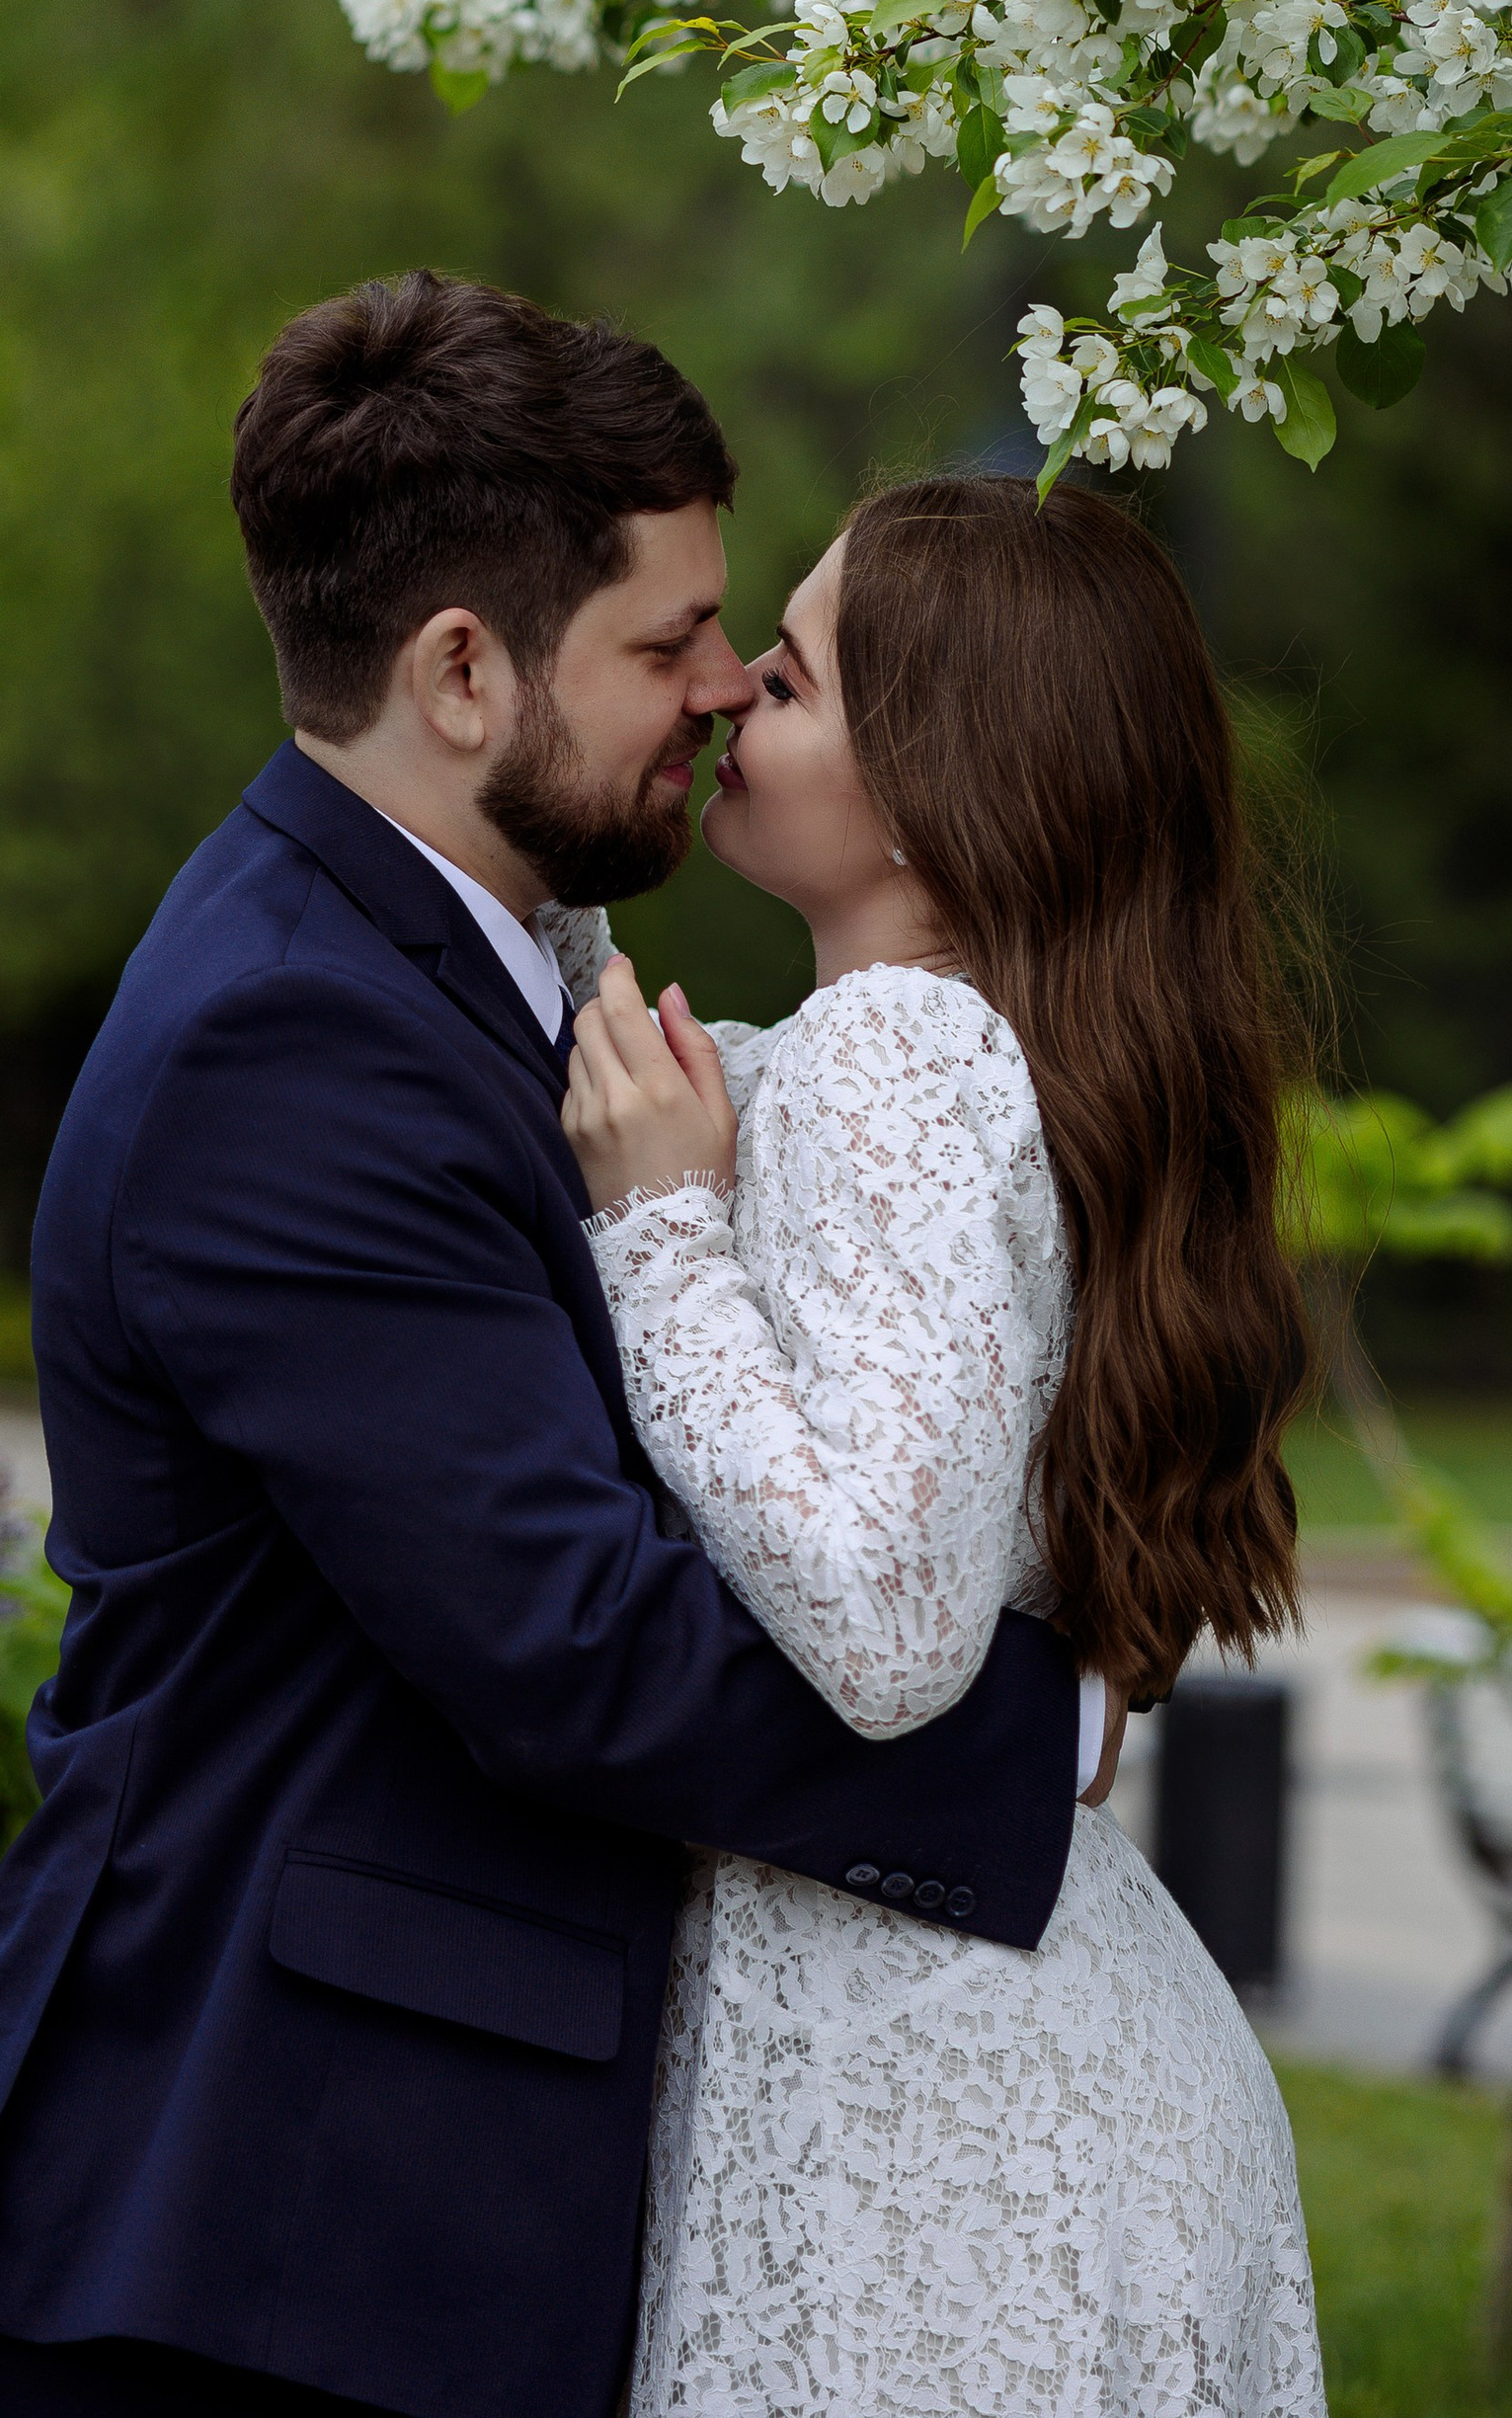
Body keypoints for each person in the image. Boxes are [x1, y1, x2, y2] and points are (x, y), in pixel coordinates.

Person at [0, 277, 1113, 2418]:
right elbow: (570, 1642)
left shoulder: (473, 965)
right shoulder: (293, 1041)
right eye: (670, 641)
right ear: (462, 671)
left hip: (365, 2208)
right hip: (266, 2216)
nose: (725, 688)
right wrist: (1040, 1737)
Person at [560, 472, 1327, 2416]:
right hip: (1029, 2045)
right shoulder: (980, 1052)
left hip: (932, 2124)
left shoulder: (895, 1054)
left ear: (933, 783)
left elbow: (888, 1625)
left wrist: (660, 1237)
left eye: (793, 675)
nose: (732, 689)